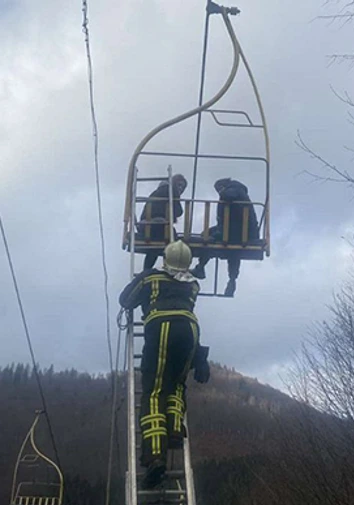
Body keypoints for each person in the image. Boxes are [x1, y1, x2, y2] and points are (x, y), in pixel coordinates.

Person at [119, 240, 210, 489]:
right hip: (190, 332)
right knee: (177, 385)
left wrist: (142, 285)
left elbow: (126, 300)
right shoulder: (193, 285)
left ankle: (155, 457)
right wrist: (200, 359)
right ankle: (173, 430)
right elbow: (184, 312)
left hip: (161, 329)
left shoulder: (151, 279)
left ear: (165, 258)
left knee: (154, 392)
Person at [190, 178, 259, 297]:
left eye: (218, 189)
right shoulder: (239, 191)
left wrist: (223, 191)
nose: (218, 192)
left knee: (207, 239)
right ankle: (232, 279)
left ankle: (201, 267)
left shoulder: (234, 189)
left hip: (237, 230)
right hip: (240, 230)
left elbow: (228, 195)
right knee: (233, 252)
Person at [137, 174, 188, 271]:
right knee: (174, 243)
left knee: (155, 248)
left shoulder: (160, 191)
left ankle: (147, 269)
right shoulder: (170, 190)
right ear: (173, 183)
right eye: (179, 185)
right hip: (156, 224)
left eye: (183, 187)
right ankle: (173, 268)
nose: (181, 188)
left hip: (147, 225)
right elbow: (179, 211)